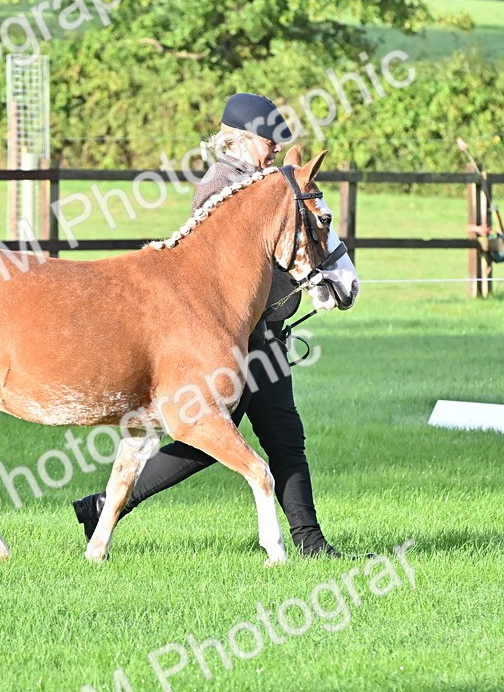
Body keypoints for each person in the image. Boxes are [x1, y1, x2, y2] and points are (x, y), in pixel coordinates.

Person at [72, 92, 347, 558]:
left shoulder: (264, 181)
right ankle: (104, 506)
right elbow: (218, 272)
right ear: (240, 140)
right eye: (268, 139)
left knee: (282, 436)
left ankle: (310, 542)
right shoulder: (221, 183)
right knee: (210, 439)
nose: (276, 147)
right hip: (225, 340)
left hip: (261, 336)